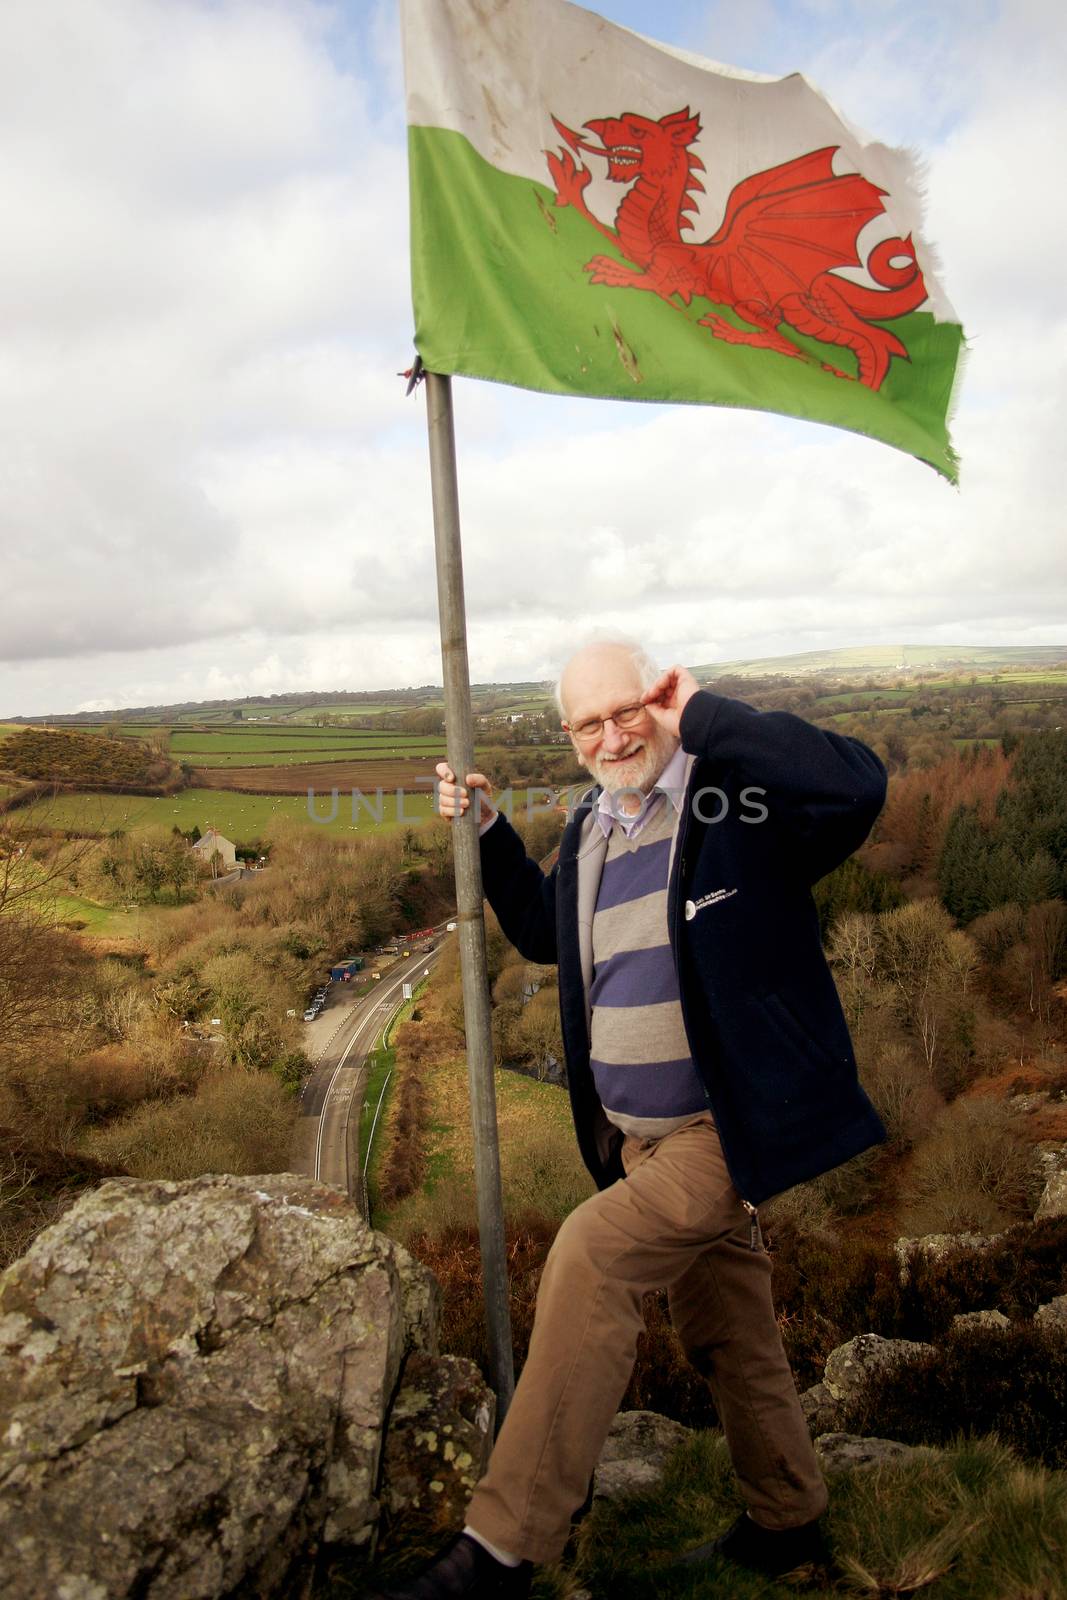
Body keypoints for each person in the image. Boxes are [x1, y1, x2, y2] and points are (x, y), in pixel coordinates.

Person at [374, 640, 887, 1599]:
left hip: (722, 1131)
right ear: (568, 738)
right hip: (635, 1143)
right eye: (588, 723)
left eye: (629, 711)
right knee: (727, 1325)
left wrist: (708, 715)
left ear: (659, 701)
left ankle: (502, 1549)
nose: (613, 736)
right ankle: (789, 1519)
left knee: (591, 1254)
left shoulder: (733, 804)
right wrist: (486, 828)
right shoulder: (593, 827)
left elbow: (854, 787)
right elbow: (542, 930)